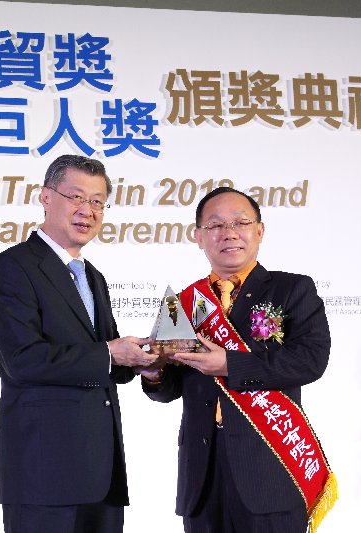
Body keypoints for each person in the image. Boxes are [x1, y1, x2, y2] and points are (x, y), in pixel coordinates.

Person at [141, 187, 336, 533]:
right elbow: (169, 388)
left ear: (259, 231)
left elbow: (310, 360)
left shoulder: (292, 289)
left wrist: (229, 364)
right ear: (198, 237)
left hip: (270, 468)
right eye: (215, 225)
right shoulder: (184, 301)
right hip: (202, 473)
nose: (229, 233)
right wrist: (153, 373)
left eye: (240, 223)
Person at [0, 155, 156, 533]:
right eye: (76, 197)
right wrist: (110, 353)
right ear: (46, 197)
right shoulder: (14, 266)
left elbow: (107, 363)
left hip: (103, 472)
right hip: (44, 473)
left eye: (97, 202)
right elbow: (23, 360)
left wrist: (142, 361)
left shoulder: (93, 276)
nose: (87, 211)